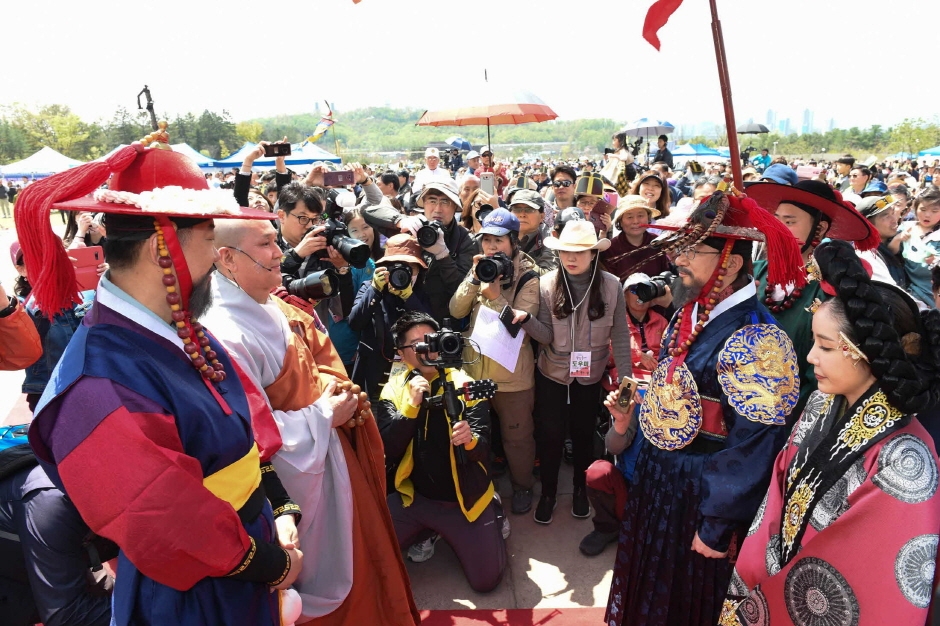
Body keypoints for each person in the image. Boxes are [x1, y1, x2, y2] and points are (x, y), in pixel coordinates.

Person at [18, 135, 302, 625]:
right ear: (161, 248)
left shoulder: (177, 327)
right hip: (197, 590)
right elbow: (162, 519)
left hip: (238, 558)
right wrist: (273, 565)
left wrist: (279, 506)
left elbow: (240, 437)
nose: (215, 258)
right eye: (210, 241)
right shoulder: (98, 381)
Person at [203, 218, 419, 626]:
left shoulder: (266, 301)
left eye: (274, 241)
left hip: (327, 451)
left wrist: (334, 391)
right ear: (227, 258)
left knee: (360, 559)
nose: (279, 252)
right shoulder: (224, 330)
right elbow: (246, 434)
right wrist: (324, 413)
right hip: (298, 476)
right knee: (326, 583)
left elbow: (311, 362)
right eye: (266, 244)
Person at [606, 190, 804, 626]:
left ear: (731, 263)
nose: (678, 259)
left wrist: (717, 524)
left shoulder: (757, 338)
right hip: (663, 476)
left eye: (691, 250)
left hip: (701, 488)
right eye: (680, 248)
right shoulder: (691, 311)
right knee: (653, 582)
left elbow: (754, 442)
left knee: (689, 596)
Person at [722, 240, 940, 626]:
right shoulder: (822, 402)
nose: (810, 357)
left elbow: (872, 582)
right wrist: (760, 568)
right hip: (770, 576)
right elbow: (778, 492)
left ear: (866, 352)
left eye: (824, 346)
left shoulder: (907, 459)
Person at [511, 220, 632, 525]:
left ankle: (581, 488)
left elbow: (619, 336)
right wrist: (525, 319)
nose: (572, 258)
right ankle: (549, 494)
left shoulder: (611, 285)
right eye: (566, 252)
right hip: (551, 372)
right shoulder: (546, 283)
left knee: (582, 433)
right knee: (550, 434)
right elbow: (547, 336)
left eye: (580, 252)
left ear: (593, 253)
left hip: (590, 375)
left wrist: (626, 386)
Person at [377, 311, 507, 593]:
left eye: (431, 340)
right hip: (416, 499)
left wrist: (470, 440)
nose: (427, 349)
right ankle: (428, 529)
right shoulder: (394, 388)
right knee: (372, 552)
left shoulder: (465, 382)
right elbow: (388, 448)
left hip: (464, 502)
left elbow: (484, 447)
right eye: (416, 344)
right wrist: (411, 405)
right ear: (401, 353)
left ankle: (491, 506)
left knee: (486, 582)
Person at [747, 179, 880, 418]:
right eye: (775, 219)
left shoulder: (831, 289)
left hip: (800, 415)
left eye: (789, 222)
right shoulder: (752, 275)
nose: (776, 229)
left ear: (819, 230)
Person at [449, 208, 540, 515]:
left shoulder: (529, 274)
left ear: (514, 242)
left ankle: (523, 485)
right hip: (475, 370)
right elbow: (456, 310)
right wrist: (475, 279)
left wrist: (496, 295)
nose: (491, 247)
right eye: (486, 240)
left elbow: (519, 327)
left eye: (499, 241)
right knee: (476, 434)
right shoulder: (481, 267)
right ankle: (481, 486)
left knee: (517, 436)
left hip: (513, 374)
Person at [363, 179, 475, 322]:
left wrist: (443, 255)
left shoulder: (465, 240)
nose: (438, 209)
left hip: (443, 321)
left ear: (455, 207)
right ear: (424, 204)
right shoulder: (414, 227)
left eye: (445, 202)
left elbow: (461, 291)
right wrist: (400, 220)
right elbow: (367, 212)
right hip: (404, 315)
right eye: (432, 201)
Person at [349, 234, 433, 400]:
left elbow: (430, 331)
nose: (402, 274)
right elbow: (355, 323)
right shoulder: (369, 288)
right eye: (396, 267)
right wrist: (375, 290)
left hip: (411, 381)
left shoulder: (421, 294)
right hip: (373, 378)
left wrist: (409, 298)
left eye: (410, 268)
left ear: (419, 270)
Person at [891, 185, 940, 308]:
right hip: (911, 289)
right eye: (923, 209)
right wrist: (897, 239)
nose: (927, 215)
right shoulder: (906, 228)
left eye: (934, 211)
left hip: (933, 289)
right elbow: (891, 252)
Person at [601, 195, 669, 281]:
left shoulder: (656, 242)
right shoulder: (611, 248)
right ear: (620, 222)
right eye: (629, 217)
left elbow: (665, 274)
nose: (635, 221)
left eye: (640, 216)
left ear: (648, 218)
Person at [622, 273, 669, 376]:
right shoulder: (616, 322)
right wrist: (637, 355)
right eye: (635, 290)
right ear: (625, 295)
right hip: (626, 376)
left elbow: (669, 352)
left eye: (645, 290)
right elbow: (608, 353)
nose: (640, 295)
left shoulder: (662, 322)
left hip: (658, 375)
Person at [857, 194, 906, 287]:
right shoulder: (867, 254)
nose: (894, 220)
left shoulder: (899, 242)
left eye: (892, 213)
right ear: (868, 224)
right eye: (886, 216)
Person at [511, 189, 557, 275]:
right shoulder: (500, 233)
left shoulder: (548, 237)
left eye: (529, 210)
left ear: (542, 216)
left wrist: (522, 260)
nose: (522, 214)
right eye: (517, 209)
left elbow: (550, 275)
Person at [600, 132, 637, 196]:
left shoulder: (623, 150)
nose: (613, 142)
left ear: (620, 141)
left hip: (617, 177)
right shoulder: (619, 150)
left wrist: (614, 156)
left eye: (614, 140)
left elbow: (623, 158)